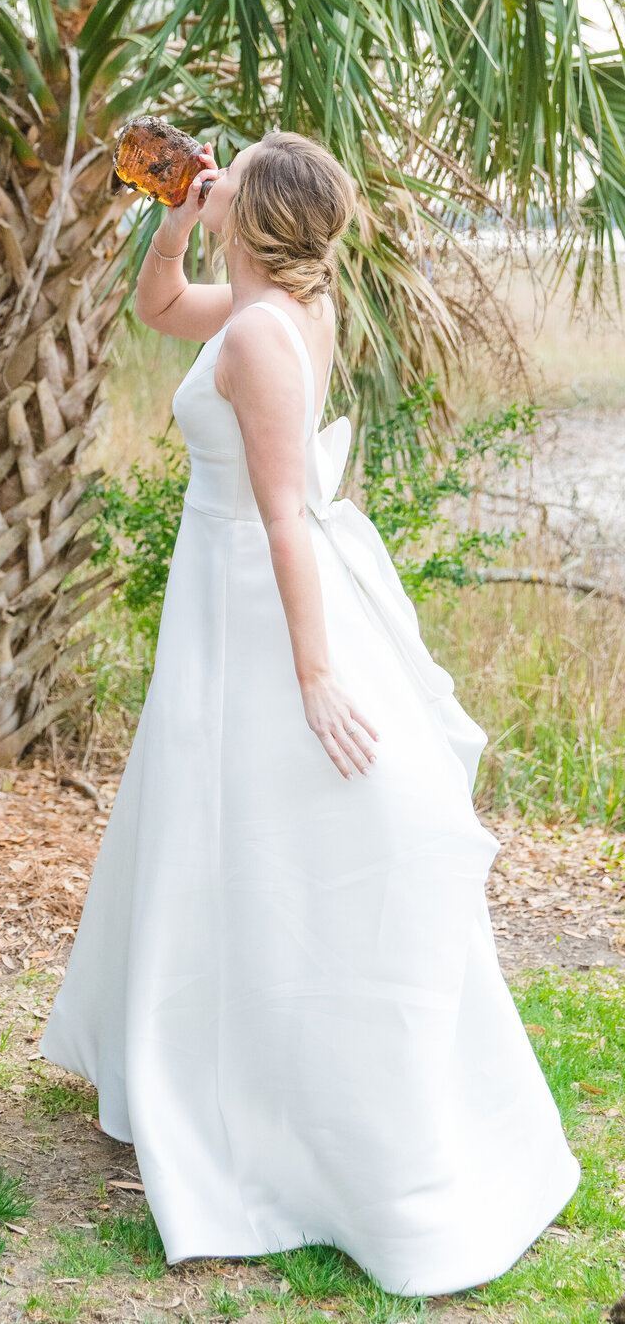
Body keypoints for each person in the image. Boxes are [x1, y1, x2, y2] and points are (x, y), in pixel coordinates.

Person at [41, 131, 578, 1296]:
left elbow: (284, 513)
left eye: (226, 167)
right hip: (217, 584)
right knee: (206, 821)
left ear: (260, 210)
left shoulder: (263, 335)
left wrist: (317, 671)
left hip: (253, 593)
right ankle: (191, 1051)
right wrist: (174, 216)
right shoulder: (254, 306)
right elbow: (159, 304)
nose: (210, 163)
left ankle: (297, 1104)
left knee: (277, 825)